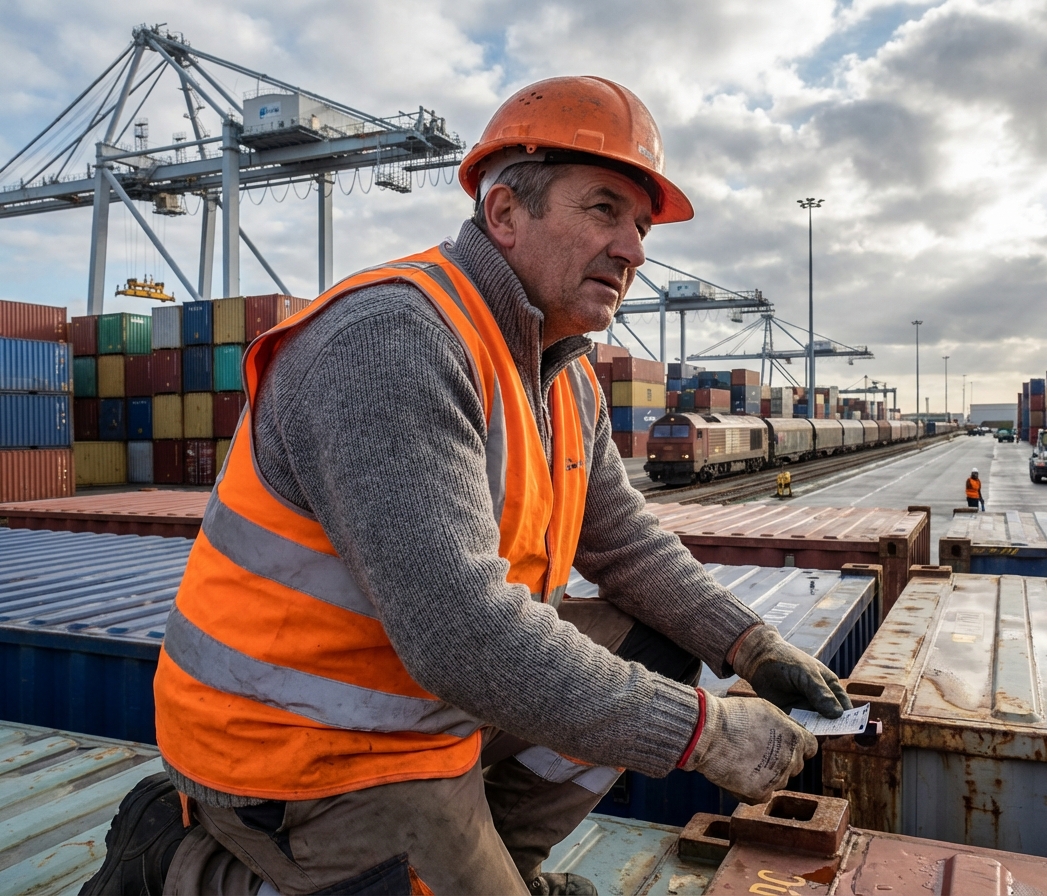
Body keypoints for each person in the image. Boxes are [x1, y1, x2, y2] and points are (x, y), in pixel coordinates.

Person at [81, 76, 850, 896]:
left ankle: (501, 866)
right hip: (294, 742)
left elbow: (625, 543)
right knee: (640, 706)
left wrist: (750, 646)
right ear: (505, 214)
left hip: (426, 695)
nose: (633, 250)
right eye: (604, 210)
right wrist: (705, 735)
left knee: (662, 648)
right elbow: (461, 632)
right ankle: (178, 862)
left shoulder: (563, 376)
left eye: (641, 225)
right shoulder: (394, 340)